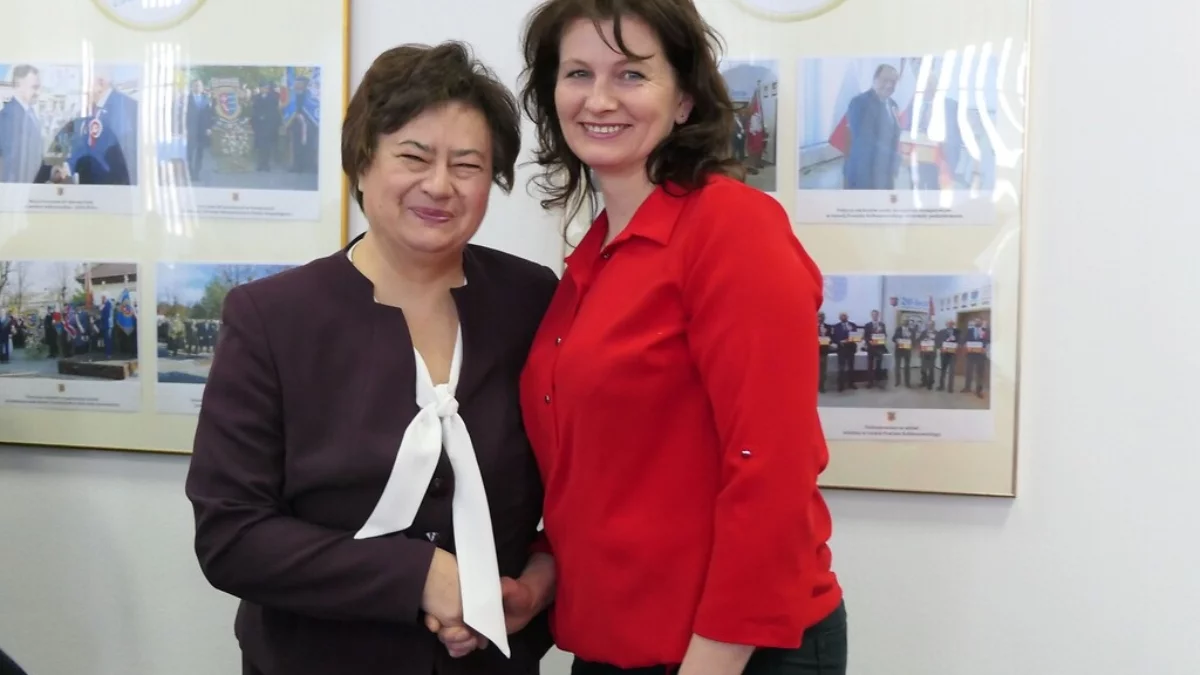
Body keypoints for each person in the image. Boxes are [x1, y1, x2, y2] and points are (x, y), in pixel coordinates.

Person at [184, 41, 558, 675]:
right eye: (413, 156)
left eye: (467, 165)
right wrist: (422, 577)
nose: (439, 185)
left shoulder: (530, 300)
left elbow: (583, 480)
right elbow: (232, 535)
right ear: (361, 163)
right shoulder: (272, 317)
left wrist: (541, 578)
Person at [510, 1, 848, 673]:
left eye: (631, 74)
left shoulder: (730, 227)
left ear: (685, 99)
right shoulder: (594, 258)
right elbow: (606, 477)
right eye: (578, 73)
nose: (599, 99)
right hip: (613, 644)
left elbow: (771, 467)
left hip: (732, 650)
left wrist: (712, 662)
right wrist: (542, 573)